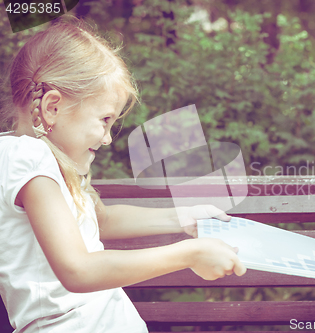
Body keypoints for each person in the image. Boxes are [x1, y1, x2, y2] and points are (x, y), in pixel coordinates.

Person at [0, 19, 246, 333]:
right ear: (52, 108)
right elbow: (78, 270)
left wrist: (182, 218)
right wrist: (189, 254)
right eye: (104, 120)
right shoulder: (29, 160)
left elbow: (99, 221)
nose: (107, 138)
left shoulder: (35, 159)